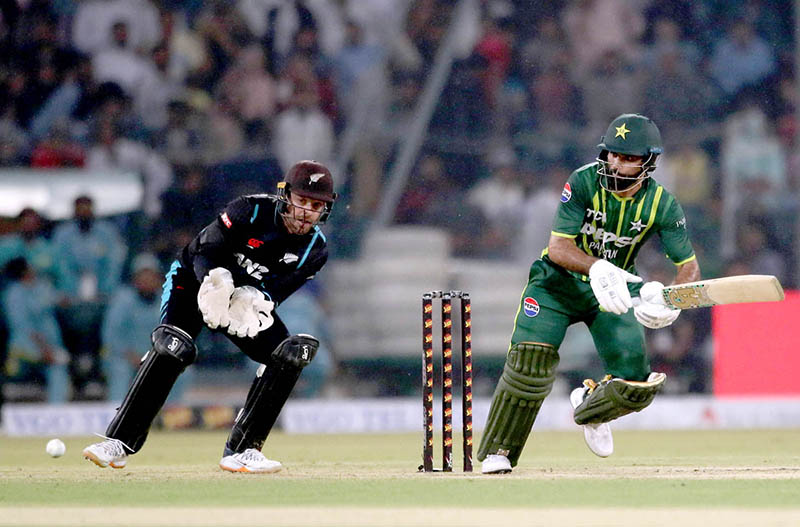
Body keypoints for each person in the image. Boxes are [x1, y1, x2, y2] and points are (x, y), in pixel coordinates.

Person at [477, 114, 701, 474]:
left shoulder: (662, 204)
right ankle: (499, 451)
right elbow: (558, 248)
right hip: (556, 285)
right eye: (612, 153)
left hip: (613, 293)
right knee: (529, 365)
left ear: (649, 163)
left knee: (636, 385)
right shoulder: (582, 181)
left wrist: (670, 299)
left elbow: (687, 266)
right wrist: (597, 267)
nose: (616, 163)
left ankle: (592, 408)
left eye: (628, 158)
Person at [82, 160, 337, 473]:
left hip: (241, 300)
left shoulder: (316, 249)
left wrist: (257, 299)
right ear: (285, 196)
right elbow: (205, 249)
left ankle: (243, 450)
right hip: (192, 280)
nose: (306, 213)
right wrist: (214, 281)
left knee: (288, 355)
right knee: (173, 347)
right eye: (302, 201)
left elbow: (277, 290)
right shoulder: (249, 210)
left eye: (316, 205)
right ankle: (117, 443)